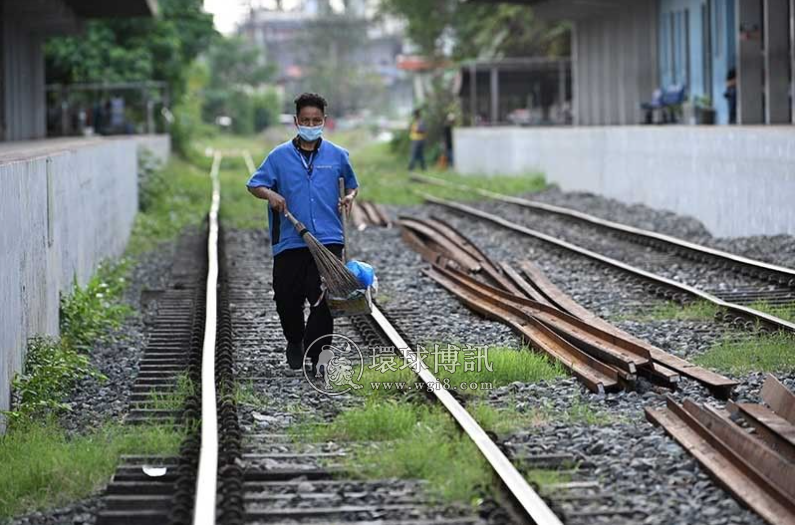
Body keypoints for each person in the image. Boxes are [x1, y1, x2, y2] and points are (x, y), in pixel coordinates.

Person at [246, 92, 359, 372]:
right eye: (306, 120)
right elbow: (254, 184)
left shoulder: (338, 156)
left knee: (323, 299)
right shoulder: (279, 156)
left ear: (324, 121)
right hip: (290, 240)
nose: (311, 124)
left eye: (316, 120)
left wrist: (350, 197)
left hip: (329, 239)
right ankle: (295, 339)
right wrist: (270, 195)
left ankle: (320, 357)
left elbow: (352, 184)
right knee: (287, 298)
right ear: (296, 121)